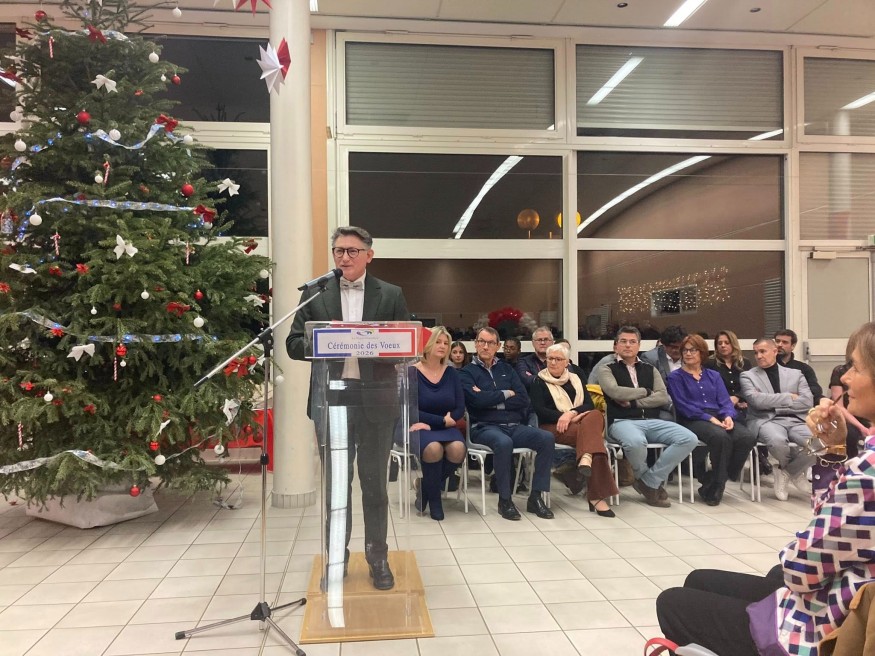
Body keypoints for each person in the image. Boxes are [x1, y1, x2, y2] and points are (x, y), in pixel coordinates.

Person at [656, 321, 875, 656]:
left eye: (855, 368)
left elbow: (800, 569)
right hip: (840, 589)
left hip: (818, 625)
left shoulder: (868, 472)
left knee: (673, 601)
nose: (844, 377)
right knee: (703, 579)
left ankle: (724, 482)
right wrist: (833, 449)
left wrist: (794, 552)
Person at [286, 226, 408, 591]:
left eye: (353, 251)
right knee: (337, 489)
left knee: (375, 488)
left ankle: (378, 558)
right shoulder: (315, 292)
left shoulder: (391, 294)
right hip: (332, 403)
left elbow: (407, 341)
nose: (344, 257)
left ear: (369, 255)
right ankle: (336, 557)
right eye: (339, 250)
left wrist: (379, 344)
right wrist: (327, 342)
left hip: (377, 402)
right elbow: (293, 343)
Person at [459, 327, 555, 521]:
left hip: (513, 425)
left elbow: (523, 399)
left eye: (490, 343)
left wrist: (490, 398)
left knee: (546, 438)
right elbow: (476, 402)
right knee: (503, 443)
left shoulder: (507, 369)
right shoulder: (466, 372)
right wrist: (506, 394)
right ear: (475, 344)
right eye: (482, 342)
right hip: (483, 426)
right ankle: (505, 500)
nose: (485, 346)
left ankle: (535, 497)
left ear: (498, 346)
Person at [597, 326, 698, 508]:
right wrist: (646, 391)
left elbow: (662, 396)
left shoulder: (650, 369)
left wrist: (634, 402)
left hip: (652, 421)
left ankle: (649, 481)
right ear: (616, 346)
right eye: (623, 341)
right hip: (621, 422)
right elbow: (615, 391)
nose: (628, 345)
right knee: (636, 442)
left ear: (639, 346)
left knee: (688, 438)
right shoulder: (606, 369)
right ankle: (649, 483)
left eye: (632, 342)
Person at [666, 334, 757, 506]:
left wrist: (728, 416)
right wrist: (709, 418)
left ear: (702, 353)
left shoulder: (713, 375)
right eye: (685, 350)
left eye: (693, 350)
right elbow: (683, 406)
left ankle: (715, 479)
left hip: (720, 415)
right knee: (720, 437)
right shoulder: (675, 377)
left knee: (747, 437)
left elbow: (724, 400)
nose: (688, 354)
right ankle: (716, 487)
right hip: (693, 418)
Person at [530, 343, 618, 517]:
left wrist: (571, 413)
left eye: (558, 359)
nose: (553, 362)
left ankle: (586, 458)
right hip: (552, 426)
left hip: (578, 423)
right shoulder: (538, 381)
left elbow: (588, 405)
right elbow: (540, 411)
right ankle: (596, 497)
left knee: (595, 415)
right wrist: (563, 417)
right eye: (550, 358)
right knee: (595, 442)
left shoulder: (576, 378)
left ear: (567, 362)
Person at [741, 338, 816, 502]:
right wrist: (789, 397)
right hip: (766, 420)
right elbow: (756, 401)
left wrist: (773, 403)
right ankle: (795, 473)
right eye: (756, 352)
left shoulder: (795, 374)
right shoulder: (748, 376)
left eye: (763, 351)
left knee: (821, 444)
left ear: (775, 351)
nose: (758, 356)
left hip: (795, 420)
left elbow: (807, 402)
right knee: (777, 440)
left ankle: (787, 471)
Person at [409, 326, 466, 521]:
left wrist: (447, 421)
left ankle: (425, 488)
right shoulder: (412, 372)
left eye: (446, 343)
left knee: (458, 449)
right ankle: (435, 502)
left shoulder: (451, 373)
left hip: (446, 427)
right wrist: (440, 420)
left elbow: (459, 407)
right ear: (427, 344)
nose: (443, 346)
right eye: (438, 342)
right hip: (419, 426)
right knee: (433, 449)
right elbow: (409, 409)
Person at [705, 330, 753, 421]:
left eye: (727, 343)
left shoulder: (744, 363)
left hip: (744, 405)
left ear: (733, 344)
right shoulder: (709, 363)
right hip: (720, 408)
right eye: (720, 343)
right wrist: (729, 401)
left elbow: (751, 384)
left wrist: (738, 397)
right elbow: (709, 388)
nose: (723, 345)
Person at [775, 328, 824, 403]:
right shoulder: (767, 366)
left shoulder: (803, 368)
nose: (779, 345)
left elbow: (816, 389)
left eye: (784, 342)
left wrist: (797, 395)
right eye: (777, 341)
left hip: (798, 404)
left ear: (793, 346)